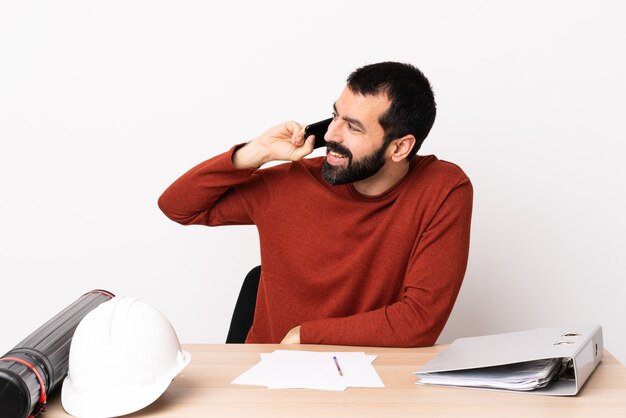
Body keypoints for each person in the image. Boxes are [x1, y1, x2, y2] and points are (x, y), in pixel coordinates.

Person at [158, 61, 473, 347]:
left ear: (400, 147)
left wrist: (305, 335)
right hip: (268, 373)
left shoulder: (442, 189)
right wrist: (257, 152)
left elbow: (419, 321)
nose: (332, 134)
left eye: (353, 126)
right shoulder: (292, 182)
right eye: (335, 115)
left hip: (370, 375)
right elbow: (178, 206)